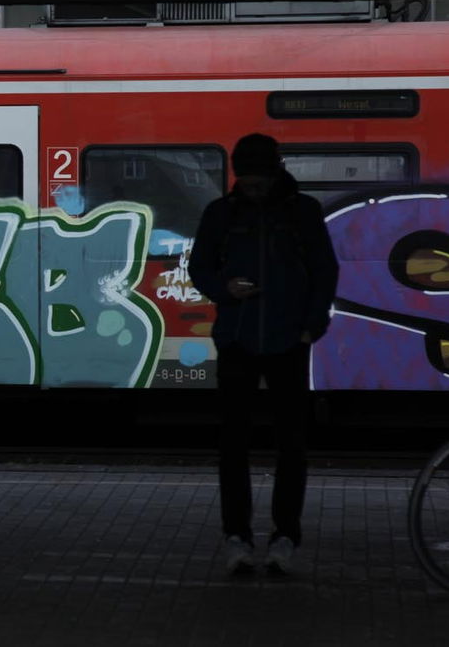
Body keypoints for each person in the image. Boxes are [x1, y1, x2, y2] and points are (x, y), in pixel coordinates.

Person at [187, 133, 339, 577]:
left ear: (275, 174)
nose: (251, 188)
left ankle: (284, 536)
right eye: (246, 180)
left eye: (259, 181)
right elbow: (199, 266)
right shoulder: (221, 213)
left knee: (291, 445)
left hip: (290, 340)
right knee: (233, 445)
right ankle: (236, 536)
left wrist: (313, 326)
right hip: (236, 338)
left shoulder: (303, 212)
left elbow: (325, 269)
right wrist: (223, 290)